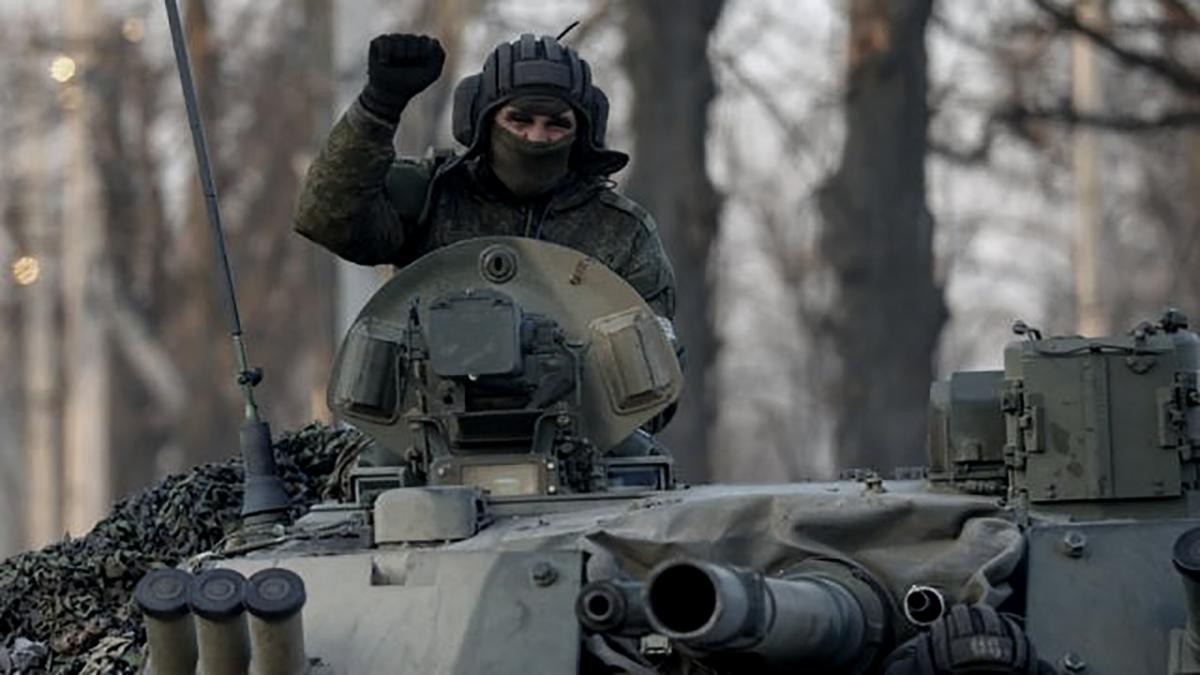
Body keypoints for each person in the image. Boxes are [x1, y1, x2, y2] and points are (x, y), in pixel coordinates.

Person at [293, 32, 676, 323]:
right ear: (483, 121)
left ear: (583, 133)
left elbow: (654, 373)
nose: (536, 138)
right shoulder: (433, 197)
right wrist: (378, 107)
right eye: (520, 120)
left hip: (576, 424)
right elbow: (326, 218)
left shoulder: (621, 233)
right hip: (426, 420)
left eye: (556, 125)